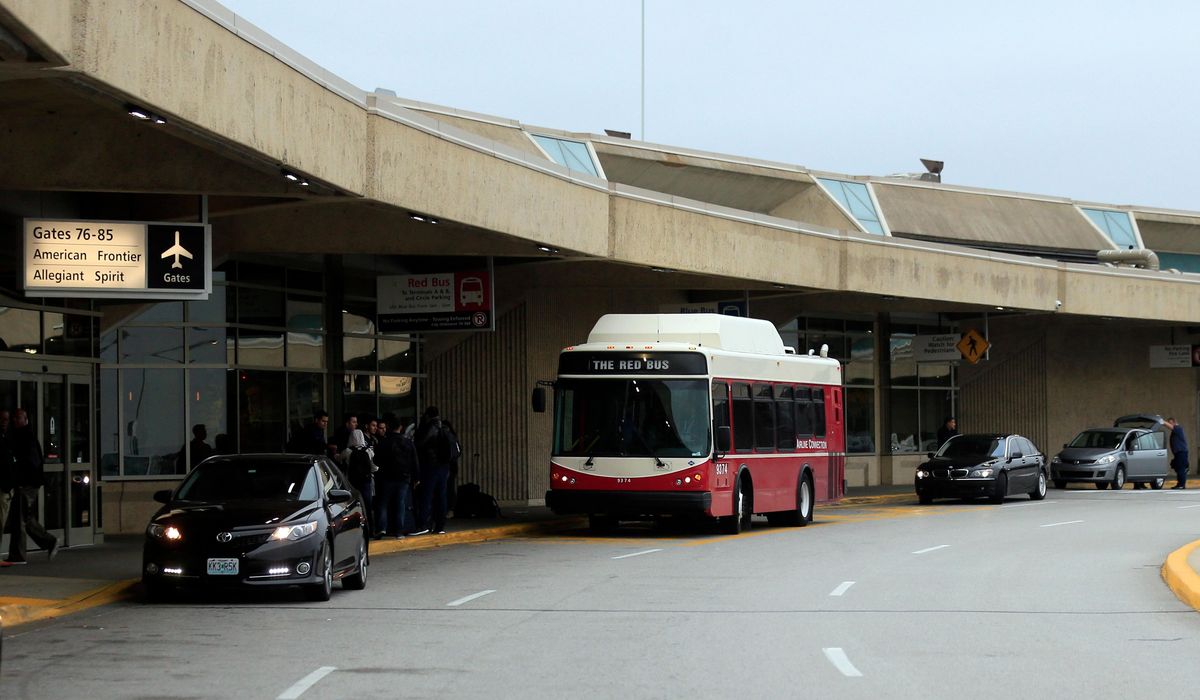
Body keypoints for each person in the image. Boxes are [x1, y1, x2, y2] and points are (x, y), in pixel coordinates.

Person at [4, 408, 58, 566]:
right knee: (25, 517)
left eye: (18, 418)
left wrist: (21, 479)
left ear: (25, 419)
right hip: (28, 482)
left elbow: (31, 462)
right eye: (14, 418)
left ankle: (19, 554)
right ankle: (49, 541)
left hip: (27, 483)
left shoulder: (25, 437)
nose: (15, 420)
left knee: (20, 518)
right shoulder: (23, 436)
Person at [375, 412, 420, 538]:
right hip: (403, 477)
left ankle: (382, 528)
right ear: (400, 427)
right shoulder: (407, 442)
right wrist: (416, 478)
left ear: (388, 427)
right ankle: (399, 530)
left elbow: (376, 460)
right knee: (400, 504)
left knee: (383, 503)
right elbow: (414, 461)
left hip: (386, 477)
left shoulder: (383, 442)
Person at [415, 406, 457, 535]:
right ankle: (440, 526)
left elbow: (420, 444)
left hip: (431, 466)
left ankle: (423, 524)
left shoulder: (431, 428)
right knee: (441, 496)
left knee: (427, 495)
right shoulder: (445, 428)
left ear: (428, 415)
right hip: (444, 466)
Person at [339, 428, 376, 535]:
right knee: (367, 506)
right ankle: (370, 529)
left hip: (352, 481)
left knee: (353, 506)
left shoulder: (347, 451)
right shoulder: (368, 451)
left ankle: (353, 529)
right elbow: (373, 466)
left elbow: (339, 459)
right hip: (366, 481)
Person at [0, 409, 13, 544]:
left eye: (6, 419)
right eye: (2, 419)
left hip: (6, 488)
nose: (4, 422)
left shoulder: (6, 438)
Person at [1167, 417, 1189, 489]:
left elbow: (1170, 426)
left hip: (1181, 452)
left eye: (1170, 423)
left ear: (1174, 422)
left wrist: (1162, 421)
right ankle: (1180, 483)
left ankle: (1181, 485)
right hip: (1178, 453)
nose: (1169, 425)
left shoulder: (1178, 428)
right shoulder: (1176, 430)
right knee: (1176, 466)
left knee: (1180, 469)